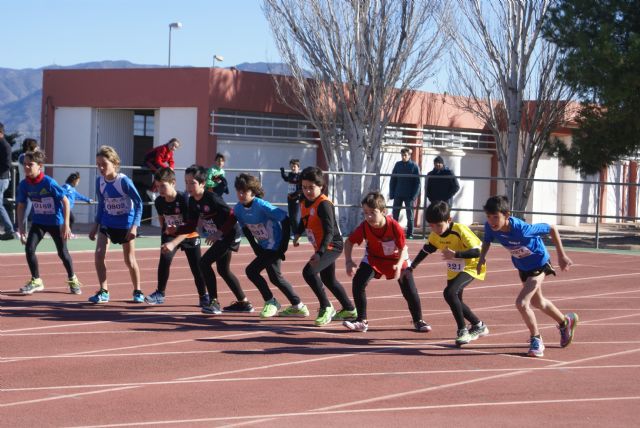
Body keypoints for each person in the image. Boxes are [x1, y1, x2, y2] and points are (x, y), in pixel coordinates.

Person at [477, 195, 578, 358]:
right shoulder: (490, 227)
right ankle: (565, 322)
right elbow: (487, 241)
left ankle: (536, 340)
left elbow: (552, 228)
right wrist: (482, 258)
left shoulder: (522, 229)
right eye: (489, 217)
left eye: (496, 217)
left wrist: (561, 256)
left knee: (522, 303)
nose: (492, 221)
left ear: (507, 215)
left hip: (539, 264)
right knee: (538, 302)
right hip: (522, 266)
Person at [343, 191, 431, 333]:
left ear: (384, 211)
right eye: (365, 213)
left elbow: (403, 248)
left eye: (373, 212)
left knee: (409, 289)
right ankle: (361, 320)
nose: (369, 217)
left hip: (398, 259)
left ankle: (418, 320)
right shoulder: (364, 226)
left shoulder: (394, 226)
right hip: (374, 259)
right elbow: (349, 242)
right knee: (358, 281)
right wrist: (348, 261)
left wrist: (398, 265)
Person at [407, 201, 488, 346]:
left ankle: (462, 330)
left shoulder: (460, 230)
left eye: (438, 225)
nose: (435, 229)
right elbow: (427, 249)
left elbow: (478, 251)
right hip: (454, 270)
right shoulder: (435, 235)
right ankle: (478, 325)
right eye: (431, 226)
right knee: (455, 300)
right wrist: (412, 267)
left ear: (448, 220)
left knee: (449, 293)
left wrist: (456, 254)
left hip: (472, 266)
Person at [234, 173, 309, 318]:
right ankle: (298, 306)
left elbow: (285, 219)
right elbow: (245, 228)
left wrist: (283, 246)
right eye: (239, 191)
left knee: (251, 271)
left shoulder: (261, 205)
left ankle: (271, 301)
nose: (242, 195)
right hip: (263, 246)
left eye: (245, 191)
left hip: (275, 246)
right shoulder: (238, 209)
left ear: (253, 192)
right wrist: (255, 246)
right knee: (275, 278)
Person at [181, 165, 253, 313]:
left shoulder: (212, 197)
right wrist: (175, 229)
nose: (188, 186)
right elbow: (192, 225)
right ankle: (244, 303)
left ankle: (214, 302)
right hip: (221, 236)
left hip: (230, 234)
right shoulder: (192, 201)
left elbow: (232, 216)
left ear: (202, 183)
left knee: (204, 262)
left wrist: (219, 233)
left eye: (192, 182)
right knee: (223, 270)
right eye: (186, 182)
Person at [292, 166, 357, 326]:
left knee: (309, 272)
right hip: (320, 246)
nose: (307, 191)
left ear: (321, 186)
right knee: (329, 280)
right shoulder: (304, 200)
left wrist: (320, 253)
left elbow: (329, 232)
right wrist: (298, 233)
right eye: (304, 187)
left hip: (332, 245)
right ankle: (349, 309)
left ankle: (326, 306)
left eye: (311, 187)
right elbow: (304, 219)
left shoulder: (324, 204)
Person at [16, 149, 82, 295]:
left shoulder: (49, 182)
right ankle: (36, 280)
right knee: (29, 249)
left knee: (62, 253)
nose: (26, 167)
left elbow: (65, 201)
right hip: (39, 222)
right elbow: (21, 206)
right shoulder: (24, 184)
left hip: (56, 222)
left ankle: (73, 279)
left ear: (39, 166)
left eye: (30, 164)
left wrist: (65, 225)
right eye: (25, 164)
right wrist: (21, 228)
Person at [144, 167, 209, 307]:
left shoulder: (185, 199)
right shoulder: (159, 201)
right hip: (171, 234)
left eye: (163, 186)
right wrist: (166, 233)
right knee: (164, 260)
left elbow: (189, 227)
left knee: (197, 267)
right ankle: (160, 293)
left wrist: (174, 242)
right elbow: (162, 218)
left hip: (189, 234)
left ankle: (203, 295)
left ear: (173, 182)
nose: (159, 190)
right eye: (157, 186)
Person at [88, 145, 144, 304]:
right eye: (98, 164)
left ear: (114, 163)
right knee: (99, 255)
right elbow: (101, 204)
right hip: (107, 223)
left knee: (129, 260)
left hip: (125, 225)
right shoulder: (99, 182)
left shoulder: (124, 181)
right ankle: (103, 291)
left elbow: (139, 203)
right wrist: (95, 226)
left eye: (103, 164)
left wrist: (134, 226)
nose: (100, 167)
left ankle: (137, 291)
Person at [389, 147, 421, 239]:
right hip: (398, 194)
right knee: (395, 215)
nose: (403, 157)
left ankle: (410, 234)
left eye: (405, 155)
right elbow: (393, 179)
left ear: (409, 155)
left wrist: (414, 196)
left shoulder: (414, 166)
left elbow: (417, 183)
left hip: (409, 196)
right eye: (402, 155)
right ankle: (393, 232)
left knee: (410, 216)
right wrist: (392, 193)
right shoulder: (398, 165)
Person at [16, 138, 39, 234]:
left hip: (33, 185)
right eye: (36, 146)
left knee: (33, 209)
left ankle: (25, 230)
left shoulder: (31, 157)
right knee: (24, 208)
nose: (38, 148)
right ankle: (17, 228)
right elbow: (27, 162)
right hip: (25, 185)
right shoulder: (23, 156)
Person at [61, 171, 93, 238]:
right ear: (74, 181)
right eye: (77, 182)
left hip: (68, 209)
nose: (78, 183)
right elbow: (60, 192)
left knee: (70, 220)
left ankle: (67, 233)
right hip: (64, 208)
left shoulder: (73, 189)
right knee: (71, 219)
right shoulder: (66, 187)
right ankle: (67, 233)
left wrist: (88, 200)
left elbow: (79, 196)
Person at [0, 122, 17, 240]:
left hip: (2, 179)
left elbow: (7, 164)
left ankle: (10, 230)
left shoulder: (5, 146)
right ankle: (9, 229)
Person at [280, 159, 302, 227]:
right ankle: (293, 232)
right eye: (291, 166)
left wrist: (294, 194)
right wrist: (282, 172)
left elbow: (301, 189)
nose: (292, 168)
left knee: (294, 216)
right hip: (290, 197)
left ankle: (296, 233)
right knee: (291, 215)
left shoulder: (300, 176)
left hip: (296, 198)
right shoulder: (291, 174)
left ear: (298, 167)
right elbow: (286, 179)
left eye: (294, 166)